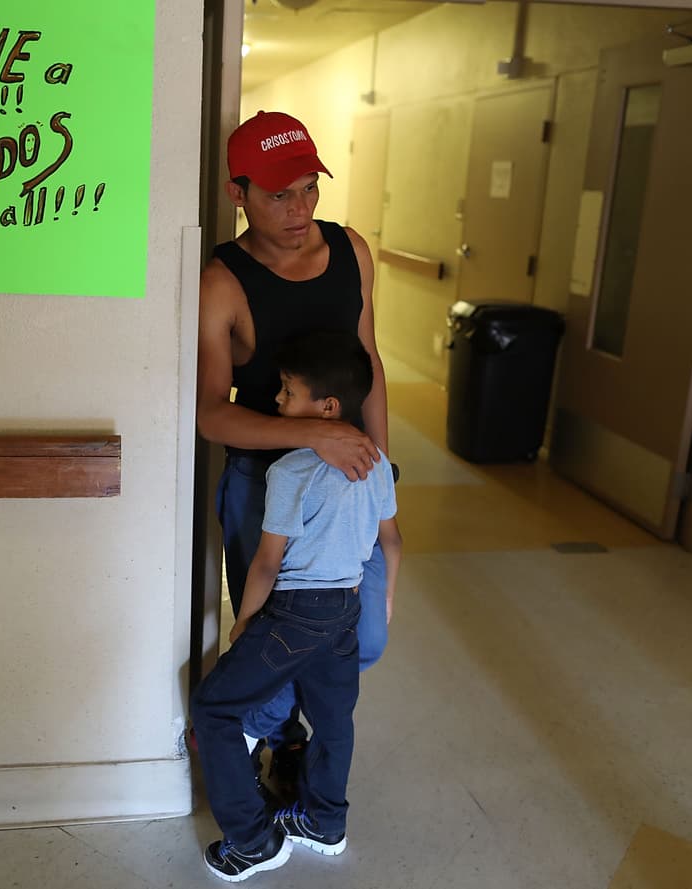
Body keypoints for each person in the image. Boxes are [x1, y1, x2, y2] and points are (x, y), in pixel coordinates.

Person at [196, 110, 394, 794]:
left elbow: (369, 360)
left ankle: (270, 723)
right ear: (239, 193)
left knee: (364, 635)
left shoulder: (351, 250)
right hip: (265, 481)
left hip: (353, 479)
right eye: (279, 194)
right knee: (272, 633)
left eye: (310, 188)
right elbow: (210, 413)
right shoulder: (222, 281)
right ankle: (285, 745)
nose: (299, 209)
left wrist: (381, 472)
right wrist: (314, 434)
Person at [191, 332, 403, 881]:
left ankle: (252, 841)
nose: (278, 400)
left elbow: (266, 563)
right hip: (345, 612)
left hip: (293, 612)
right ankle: (325, 823)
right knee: (334, 720)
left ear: (327, 407)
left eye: (287, 391)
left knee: (213, 708)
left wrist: (244, 624)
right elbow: (392, 540)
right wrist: (384, 597)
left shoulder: (290, 471)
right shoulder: (378, 464)